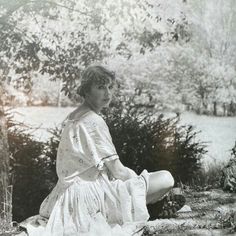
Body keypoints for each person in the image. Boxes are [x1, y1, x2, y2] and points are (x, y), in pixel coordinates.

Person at [22, 65, 184, 236]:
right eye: (100, 87)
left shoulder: (72, 117)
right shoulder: (93, 121)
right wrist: (140, 184)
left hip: (66, 197)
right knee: (166, 178)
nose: (107, 93)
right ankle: (149, 206)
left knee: (140, 184)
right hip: (91, 197)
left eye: (109, 87)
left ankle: (149, 205)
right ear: (86, 91)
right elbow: (118, 170)